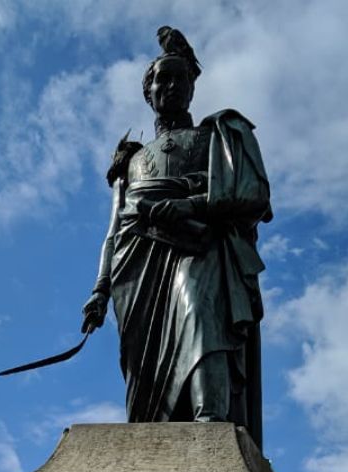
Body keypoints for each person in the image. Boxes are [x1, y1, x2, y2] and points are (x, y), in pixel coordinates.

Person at [82, 26, 271, 443]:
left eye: (177, 78)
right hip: (137, 268)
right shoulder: (131, 161)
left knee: (200, 313)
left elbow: (252, 194)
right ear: (147, 93)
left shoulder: (215, 136)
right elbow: (114, 230)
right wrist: (100, 289)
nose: (169, 85)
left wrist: (191, 205)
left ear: (191, 87)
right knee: (143, 370)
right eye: (160, 79)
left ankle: (211, 428)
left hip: (198, 245)